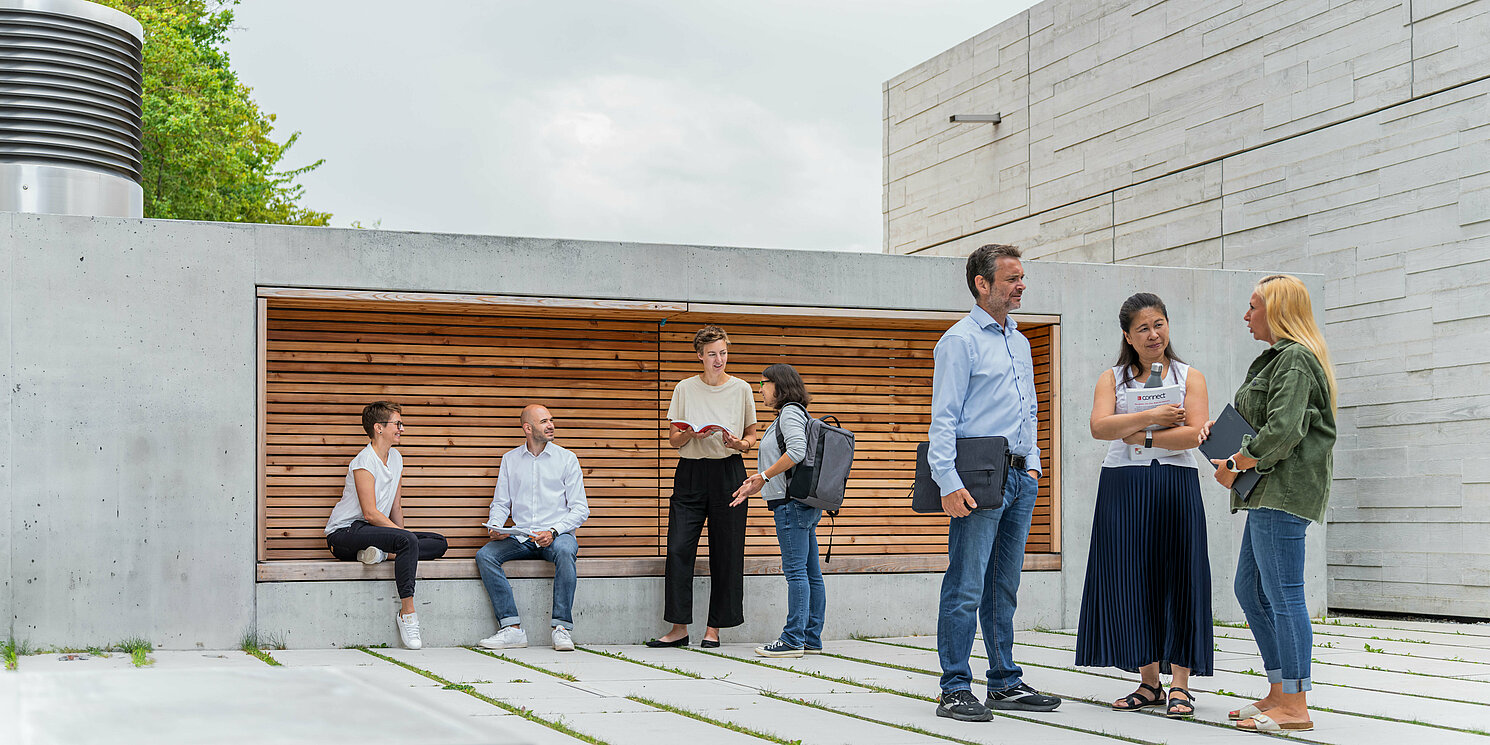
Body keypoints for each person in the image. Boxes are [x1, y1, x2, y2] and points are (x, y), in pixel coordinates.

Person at [930, 244, 1061, 721]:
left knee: (1002, 586)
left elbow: (1028, 409)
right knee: (966, 584)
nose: (1021, 285)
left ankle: (1003, 682)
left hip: (1020, 477)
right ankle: (954, 688)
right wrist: (946, 480)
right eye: (1011, 278)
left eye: (1022, 277)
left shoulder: (1020, 341)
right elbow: (942, 420)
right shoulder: (960, 341)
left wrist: (1034, 466)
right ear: (982, 285)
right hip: (978, 479)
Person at [1202, 274, 1337, 734]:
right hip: (1265, 489)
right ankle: (1280, 691)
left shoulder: (1295, 360)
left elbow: (1283, 431)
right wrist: (1217, 435)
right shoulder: (1273, 361)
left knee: (1284, 594)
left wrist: (1236, 464)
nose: (1246, 315)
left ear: (1277, 310)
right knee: (1250, 589)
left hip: (1283, 489)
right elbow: (1258, 422)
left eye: (1254, 306)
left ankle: (1296, 706)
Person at [1075, 292, 1212, 718]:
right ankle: (1149, 682)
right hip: (1123, 484)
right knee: (1132, 579)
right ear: (1127, 336)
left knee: (1180, 574)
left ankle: (1182, 685)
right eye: (1143, 329)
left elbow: (1194, 434)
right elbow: (1100, 426)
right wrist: (1150, 420)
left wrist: (1140, 435)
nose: (1153, 334)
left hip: (1175, 482)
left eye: (1159, 324)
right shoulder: (1111, 378)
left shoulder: (1191, 376)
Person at [649, 325, 759, 649]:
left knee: (726, 553)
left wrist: (737, 442)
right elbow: (673, 439)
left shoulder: (742, 389)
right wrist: (689, 435)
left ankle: (714, 629)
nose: (719, 359)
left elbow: (751, 440)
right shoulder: (684, 388)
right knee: (678, 549)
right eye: (712, 353)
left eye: (723, 352)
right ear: (700, 355)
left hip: (729, 472)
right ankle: (678, 628)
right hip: (691, 474)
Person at [324, 401, 448, 650]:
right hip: (344, 534)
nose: (402, 429)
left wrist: (403, 540)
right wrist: (404, 539)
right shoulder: (363, 462)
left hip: (373, 533)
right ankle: (408, 613)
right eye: (398, 424)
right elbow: (370, 513)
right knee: (407, 541)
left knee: (439, 543)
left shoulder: (397, 458)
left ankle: (380, 554)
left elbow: (396, 507)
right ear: (379, 428)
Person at [475, 405, 590, 652]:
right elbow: (501, 502)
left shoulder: (566, 459)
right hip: (522, 537)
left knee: (566, 551)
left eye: (551, 420)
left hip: (557, 536)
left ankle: (561, 628)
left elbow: (580, 509)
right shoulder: (510, 460)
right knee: (485, 555)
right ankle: (512, 629)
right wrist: (495, 526)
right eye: (543, 421)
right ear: (527, 428)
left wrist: (554, 531)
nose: (551, 425)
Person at [730, 363, 824, 658]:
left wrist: (764, 476)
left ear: (779, 385)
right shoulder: (793, 414)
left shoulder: (790, 413)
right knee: (810, 573)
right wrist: (759, 482)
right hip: (800, 504)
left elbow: (796, 451)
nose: (760, 390)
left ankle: (793, 639)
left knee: (796, 573)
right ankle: (810, 638)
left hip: (791, 506)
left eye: (763, 384)